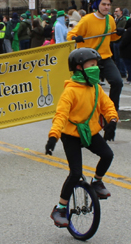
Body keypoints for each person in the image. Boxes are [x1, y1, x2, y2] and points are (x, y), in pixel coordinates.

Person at [45, 48, 117, 227]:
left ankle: (97, 181)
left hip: (90, 131)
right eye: (91, 65)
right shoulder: (70, 91)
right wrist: (53, 137)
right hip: (71, 135)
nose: (96, 68)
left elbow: (108, 106)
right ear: (79, 67)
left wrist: (112, 121)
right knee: (76, 172)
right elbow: (60, 115)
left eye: (96, 65)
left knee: (107, 155)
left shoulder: (96, 88)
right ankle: (60, 208)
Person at [67, 0, 124, 111]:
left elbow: (112, 37)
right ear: (97, 5)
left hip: (105, 57)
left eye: (108, 5)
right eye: (103, 4)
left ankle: (112, 110)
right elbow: (71, 35)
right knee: (92, 86)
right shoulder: (87, 20)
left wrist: (118, 34)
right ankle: (93, 110)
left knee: (117, 82)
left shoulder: (110, 19)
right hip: (89, 59)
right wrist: (75, 38)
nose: (106, 7)